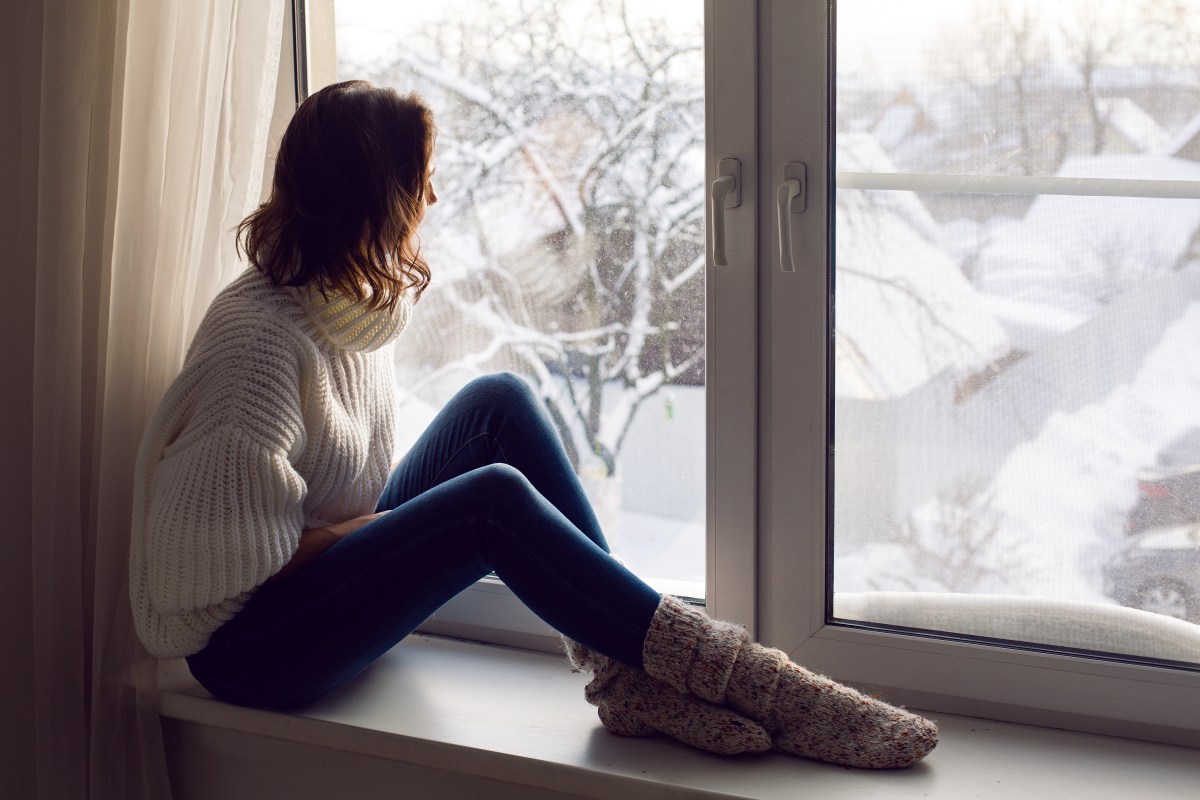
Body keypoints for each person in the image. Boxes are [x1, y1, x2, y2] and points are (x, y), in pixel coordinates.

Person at [128, 79, 937, 769]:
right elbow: (222, 586)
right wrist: (378, 533)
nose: (434, 201)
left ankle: (631, 679)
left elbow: (340, 507)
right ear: (371, 197)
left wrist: (376, 531)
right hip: (254, 649)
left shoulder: (341, 307)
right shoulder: (259, 348)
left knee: (498, 403)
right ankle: (753, 681)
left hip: (316, 584)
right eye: (422, 182)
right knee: (490, 502)